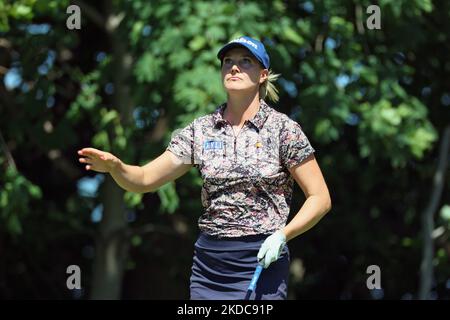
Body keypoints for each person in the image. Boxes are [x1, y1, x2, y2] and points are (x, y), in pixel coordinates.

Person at [77, 36, 332, 300]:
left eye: (245, 62)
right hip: (210, 262)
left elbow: (320, 198)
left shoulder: (284, 130)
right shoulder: (200, 130)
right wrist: (117, 167)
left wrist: (283, 235)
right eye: (228, 62)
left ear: (263, 75)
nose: (234, 68)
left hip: (261, 256)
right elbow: (144, 179)